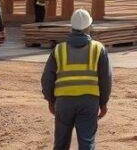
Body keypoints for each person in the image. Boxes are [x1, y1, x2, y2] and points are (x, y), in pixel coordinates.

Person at [42, 9, 113, 150]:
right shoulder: (98, 49)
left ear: (72, 27)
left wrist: (50, 100)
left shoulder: (59, 49)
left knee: (61, 144)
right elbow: (106, 79)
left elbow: (47, 79)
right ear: (89, 27)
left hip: (63, 102)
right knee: (87, 142)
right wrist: (103, 102)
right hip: (89, 102)